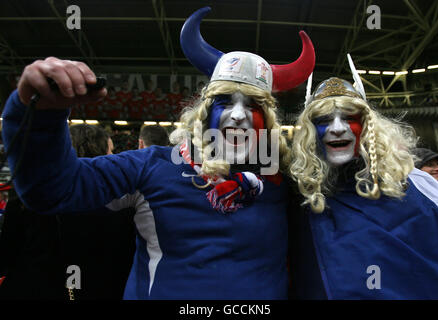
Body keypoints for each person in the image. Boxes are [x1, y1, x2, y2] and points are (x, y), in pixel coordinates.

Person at [2, 6, 314, 299]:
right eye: (225, 102)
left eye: (252, 105)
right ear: (205, 112)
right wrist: (41, 117)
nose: (237, 115)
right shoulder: (152, 166)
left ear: (269, 121)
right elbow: (54, 190)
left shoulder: (285, 179)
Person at [288, 57, 438, 299]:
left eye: (349, 118)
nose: (337, 128)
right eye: (324, 121)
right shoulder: (301, 195)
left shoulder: (416, 184)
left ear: (368, 128)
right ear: (311, 134)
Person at [0, 124, 136, 300]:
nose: (113, 156)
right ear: (100, 155)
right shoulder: (121, 205)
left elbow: (7, 255)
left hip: (32, 289)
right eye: (110, 151)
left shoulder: (28, 196)